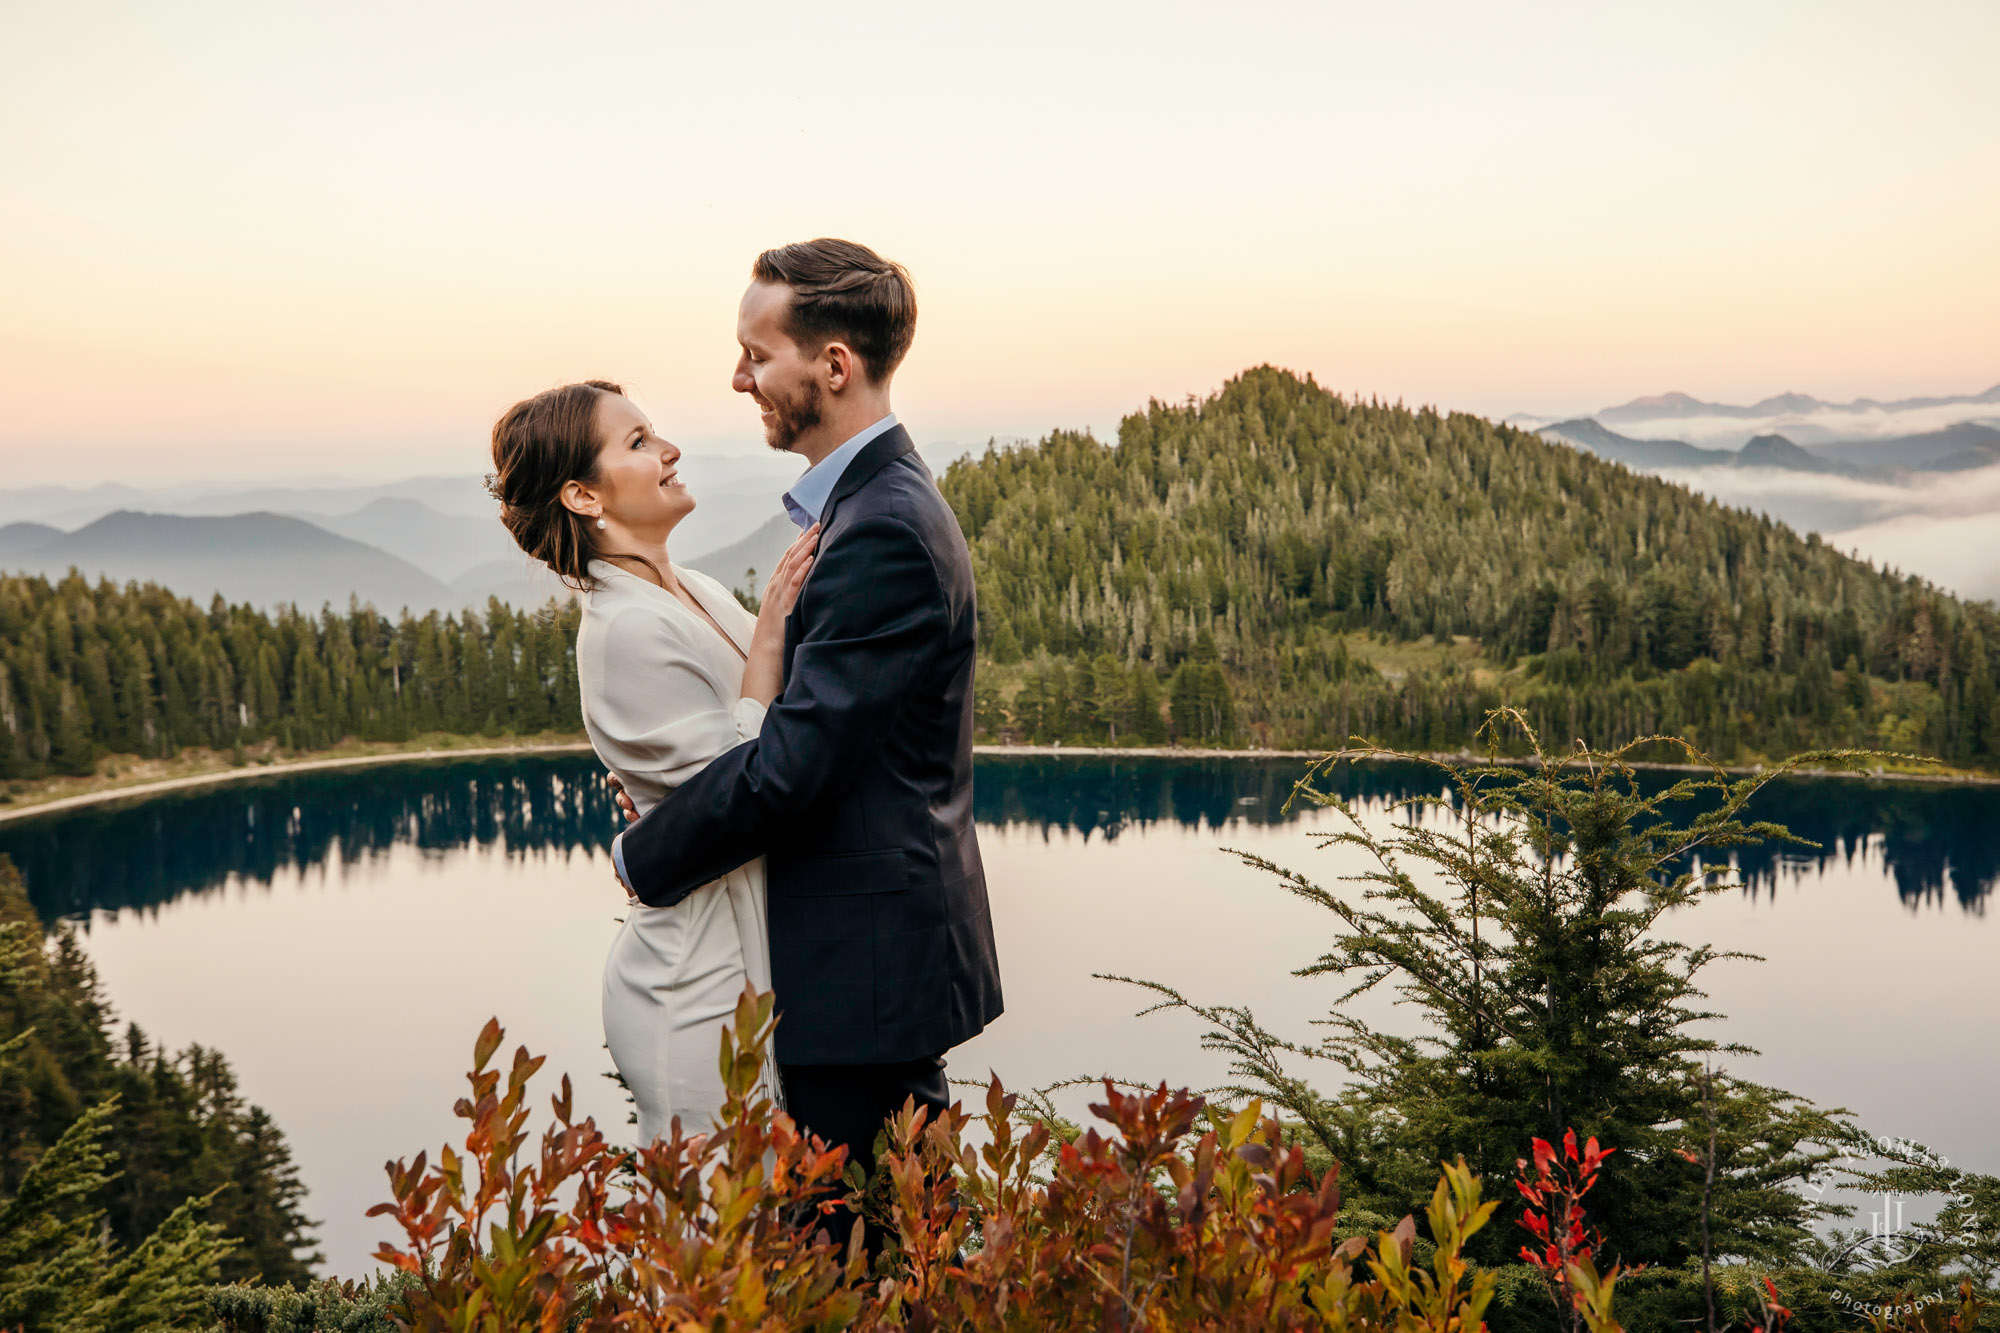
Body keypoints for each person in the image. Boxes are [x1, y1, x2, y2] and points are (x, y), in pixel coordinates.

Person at [610, 238, 1004, 1248]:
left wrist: (649, 846)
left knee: (864, 1277)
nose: (738, 377)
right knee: (884, 1265)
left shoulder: (879, 528)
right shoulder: (871, 507)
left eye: (756, 353)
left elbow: (794, 765)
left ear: (832, 365)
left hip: (858, 983)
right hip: (865, 973)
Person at [488, 377, 819, 1143]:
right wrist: (770, 635)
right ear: (582, 495)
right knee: (717, 1248)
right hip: (694, 990)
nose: (668, 451)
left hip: (748, 961)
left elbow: (773, 734)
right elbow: (751, 787)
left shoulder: (692, 589)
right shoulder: (622, 631)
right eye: (637, 443)